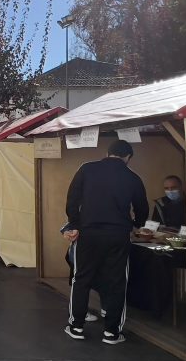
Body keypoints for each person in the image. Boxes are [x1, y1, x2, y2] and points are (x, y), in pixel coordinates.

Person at [62, 139, 148, 345]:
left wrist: (74, 223)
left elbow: (72, 199)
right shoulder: (132, 177)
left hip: (89, 234)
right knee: (117, 282)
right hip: (118, 235)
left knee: (81, 279)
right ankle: (112, 332)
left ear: (108, 153)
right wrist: (136, 224)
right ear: (128, 157)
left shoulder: (87, 169)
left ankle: (76, 326)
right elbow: (142, 207)